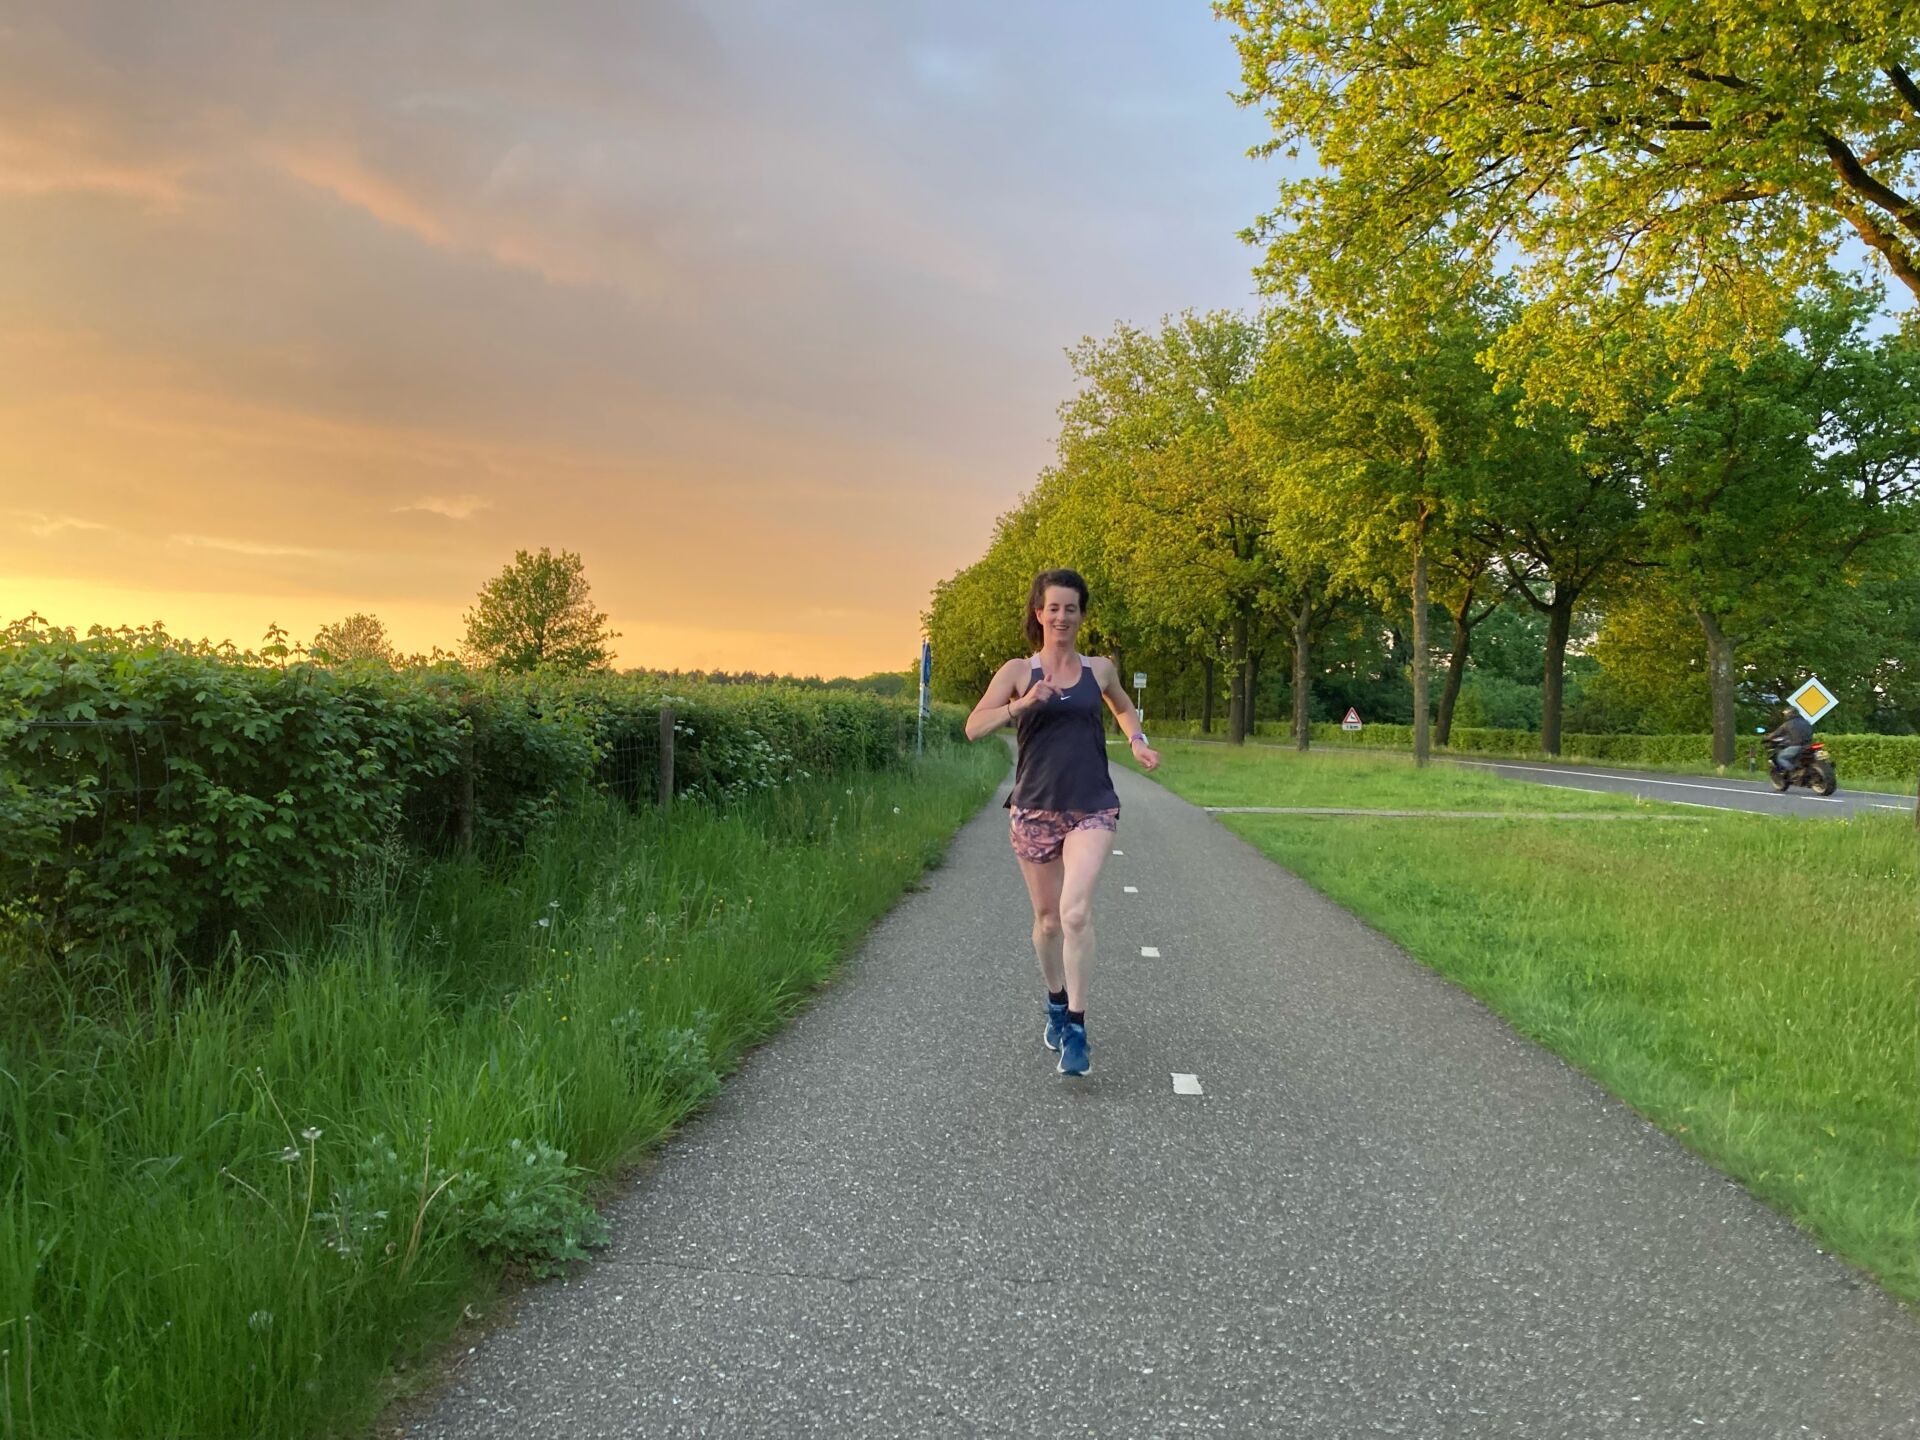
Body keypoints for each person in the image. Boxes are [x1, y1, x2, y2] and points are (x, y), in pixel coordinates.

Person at [963, 568, 1161, 1077]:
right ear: (1039, 613)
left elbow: (1122, 709)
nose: (1062, 616)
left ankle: (1076, 1025)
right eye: (1053, 607)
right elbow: (973, 727)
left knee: (1075, 915)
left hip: (1093, 805)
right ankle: (1055, 1000)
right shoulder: (1017, 671)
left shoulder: (1100, 669)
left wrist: (1137, 742)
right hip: (1034, 808)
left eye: (1071, 608)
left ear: (1081, 615)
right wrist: (1023, 704)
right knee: (1048, 921)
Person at [1763, 706, 1813, 777]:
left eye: (1786, 714)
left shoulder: (1787, 724)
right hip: (1809, 745)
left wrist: (1766, 738)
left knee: (1781, 758)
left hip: (1797, 746)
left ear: (1789, 714)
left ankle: (1794, 771)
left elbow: (1776, 733)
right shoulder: (1806, 722)